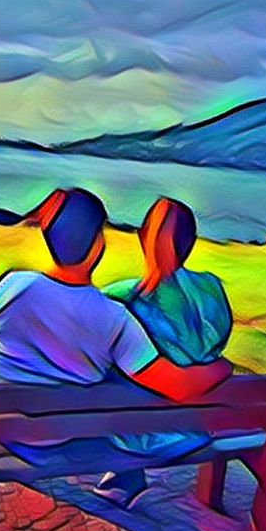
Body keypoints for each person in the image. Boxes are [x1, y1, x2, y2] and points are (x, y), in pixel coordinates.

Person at [0, 188, 232, 472]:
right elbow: (178, 386)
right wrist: (221, 368)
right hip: (57, 438)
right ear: (97, 245)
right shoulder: (114, 318)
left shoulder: (10, 286)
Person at [96, 197, 233, 504]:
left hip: (146, 432)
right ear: (190, 243)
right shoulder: (211, 288)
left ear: (142, 238)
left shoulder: (119, 297)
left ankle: (126, 474)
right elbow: (217, 346)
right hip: (200, 423)